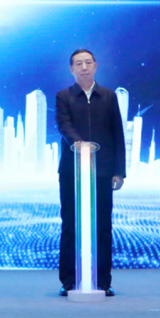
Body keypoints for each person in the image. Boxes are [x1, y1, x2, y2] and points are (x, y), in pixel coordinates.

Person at [55, 49, 125, 297]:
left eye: (88, 62)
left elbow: (117, 133)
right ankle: (69, 281)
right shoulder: (63, 96)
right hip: (71, 171)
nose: (83, 67)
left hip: (103, 171)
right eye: (78, 64)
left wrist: (119, 171)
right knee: (70, 225)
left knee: (102, 226)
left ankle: (103, 281)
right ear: (71, 69)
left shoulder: (108, 96)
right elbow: (63, 125)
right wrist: (79, 144)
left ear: (95, 66)